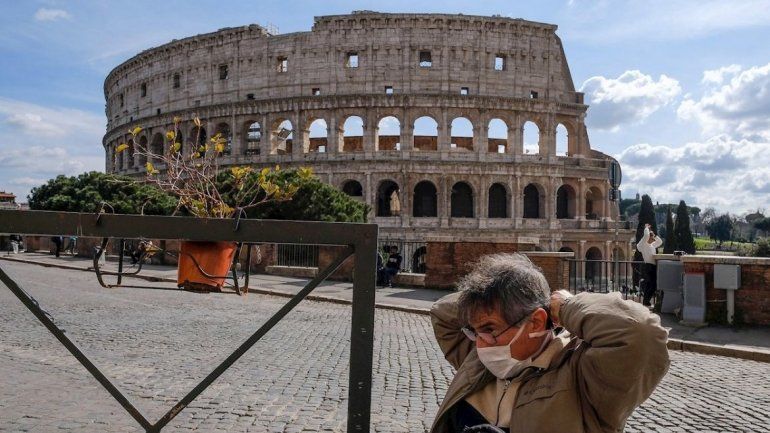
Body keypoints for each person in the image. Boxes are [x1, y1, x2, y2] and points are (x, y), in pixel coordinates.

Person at [429, 253, 669, 433]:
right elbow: (442, 313)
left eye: (489, 329)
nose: (480, 344)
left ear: (535, 323)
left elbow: (640, 333)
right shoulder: (482, 360)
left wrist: (566, 306)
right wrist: (488, 295)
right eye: (474, 332)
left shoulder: (583, 376)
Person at [637, 223, 663, 306]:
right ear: (649, 237)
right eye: (652, 238)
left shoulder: (652, 245)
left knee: (652, 284)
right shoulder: (644, 244)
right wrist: (646, 228)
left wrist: (655, 235)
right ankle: (646, 301)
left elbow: (660, 242)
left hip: (653, 266)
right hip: (648, 266)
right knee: (651, 284)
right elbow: (646, 235)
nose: (653, 240)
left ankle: (646, 301)